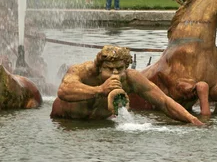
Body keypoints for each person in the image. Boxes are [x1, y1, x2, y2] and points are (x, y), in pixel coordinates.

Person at [50, 45, 203, 125]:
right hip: (65, 121)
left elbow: (164, 102)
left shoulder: (131, 79)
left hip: (99, 124)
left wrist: (191, 120)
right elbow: (64, 91)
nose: (115, 74)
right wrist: (100, 90)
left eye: (120, 69)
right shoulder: (83, 71)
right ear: (99, 67)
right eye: (109, 69)